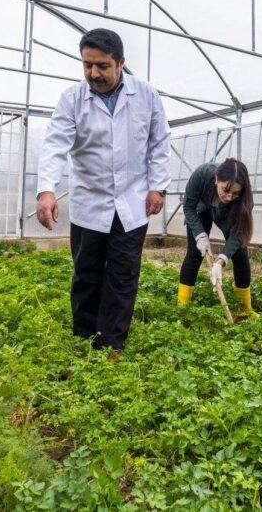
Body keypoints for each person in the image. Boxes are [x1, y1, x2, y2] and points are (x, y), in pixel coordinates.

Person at [36, 28, 171, 351]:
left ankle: (111, 344)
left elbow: (159, 143)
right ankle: (84, 338)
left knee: (123, 277)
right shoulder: (72, 99)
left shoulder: (147, 95)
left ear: (121, 62)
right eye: (87, 65)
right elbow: (55, 145)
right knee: (87, 274)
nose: (93, 73)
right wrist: (46, 190)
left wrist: (158, 188)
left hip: (132, 201)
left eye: (102, 66)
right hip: (89, 203)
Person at [177, 158, 258, 317]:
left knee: (240, 253)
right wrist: (200, 235)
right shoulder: (201, 174)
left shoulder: (244, 200)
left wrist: (221, 261)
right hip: (201, 210)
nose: (229, 197)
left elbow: (238, 233)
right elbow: (188, 206)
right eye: (225, 190)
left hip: (227, 215)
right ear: (216, 179)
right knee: (194, 254)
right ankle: (182, 306)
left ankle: (245, 310)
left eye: (235, 193)